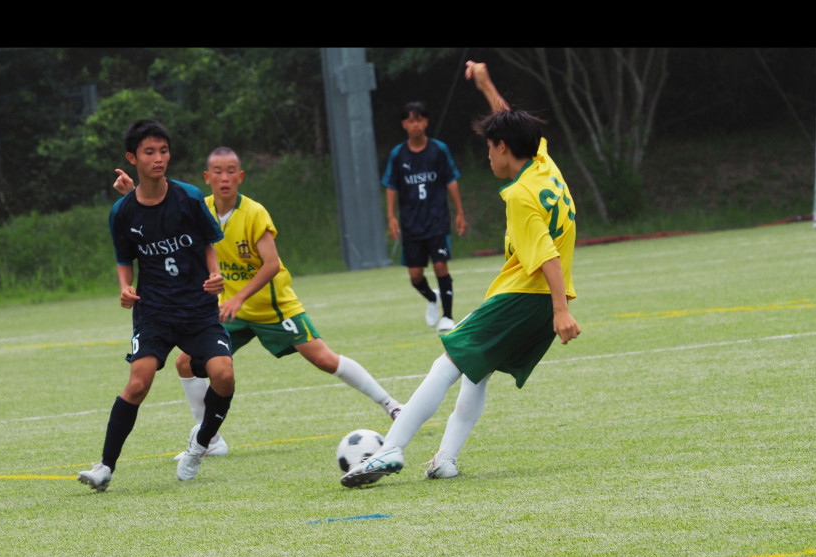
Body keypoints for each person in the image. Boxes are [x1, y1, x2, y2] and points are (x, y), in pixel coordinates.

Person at [342, 61, 581, 488]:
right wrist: (486, 85)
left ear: (503, 147)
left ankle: (391, 448)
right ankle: (445, 460)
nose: (487, 155)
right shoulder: (544, 164)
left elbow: (545, 254)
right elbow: (511, 122)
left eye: (490, 147)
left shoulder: (520, 195)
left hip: (525, 297)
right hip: (538, 302)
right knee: (477, 372)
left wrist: (561, 311)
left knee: (447, 362)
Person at [114, 147, 403, 461]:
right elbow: (158, 220)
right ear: (207, 177)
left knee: (323, 359)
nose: (225, 178)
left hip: (272, 306)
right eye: (218, 172)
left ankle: (392, 405)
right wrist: (133, 193)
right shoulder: (197, 206)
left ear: (240, 177)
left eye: (231, 171)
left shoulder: (254, 213)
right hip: (228, 311)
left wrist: (239, 297)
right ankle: (209, 439)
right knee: (185, 363)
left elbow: (272, 264)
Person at [77, 119, 232, 491]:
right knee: (137, 383)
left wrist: (215, 275)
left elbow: (208, 243)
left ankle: (201, 443)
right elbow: (123, 259)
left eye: (163, 150)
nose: (159, 158)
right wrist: (125, 287)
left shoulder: (189, 197)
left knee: (224, 375)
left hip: (197, 309)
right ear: (132, 158)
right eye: (149, 152)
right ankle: (105, 467)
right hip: (155, 312)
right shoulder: (122, 212)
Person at [381, 101, 468, 332]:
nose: (416, 124)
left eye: (419, 119)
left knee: (441, 266)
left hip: (437, 220)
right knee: (415, 276)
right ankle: (432, 297)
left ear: (426, 122)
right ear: (404, 124)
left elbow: (451, 180)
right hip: (411, 224)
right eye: (411, 120)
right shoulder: (398, 155)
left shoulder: (439, 150)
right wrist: (391, 217)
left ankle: (448, 316)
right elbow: (391, 186)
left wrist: (460, 212)